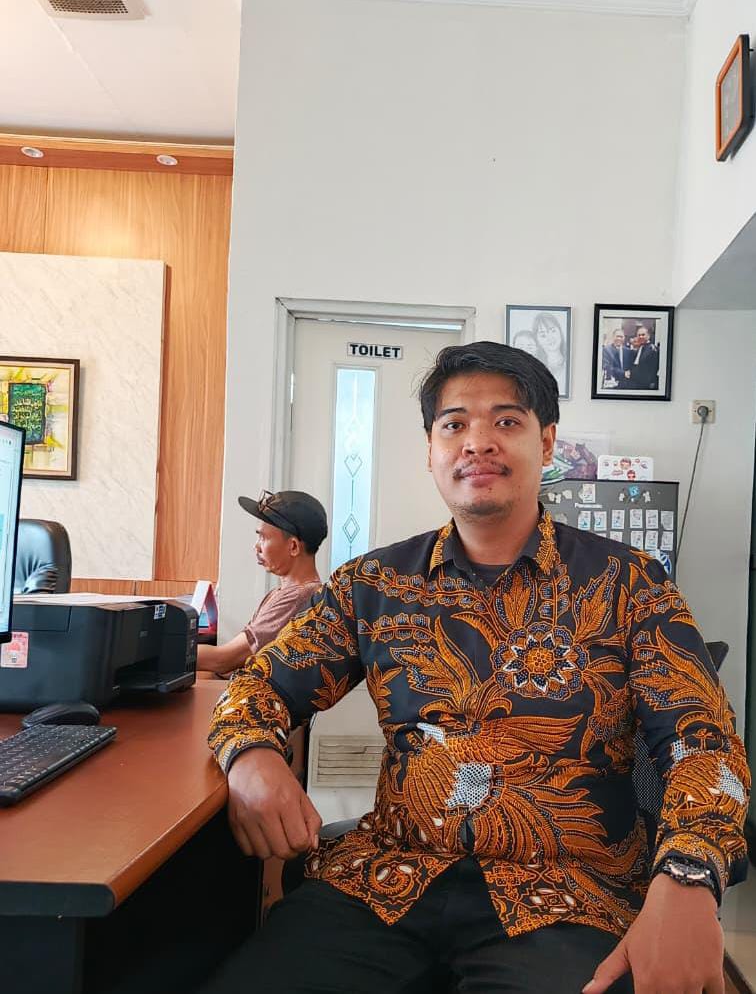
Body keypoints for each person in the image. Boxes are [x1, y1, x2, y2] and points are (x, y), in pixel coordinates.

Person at [203, 342, 748, 994]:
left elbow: (704, 743)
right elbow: (262, 682)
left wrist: (688, 876)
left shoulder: (628, 584)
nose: (478, 441)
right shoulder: (373, 583)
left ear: (546, 443)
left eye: (506, 421)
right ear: (431, 450)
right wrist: (250, 754)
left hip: (570, 895)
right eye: (454, 423)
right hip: (386, 881)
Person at [196, 490, 327, 676]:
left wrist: (162, 655)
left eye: (263, 537)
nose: (256, 546)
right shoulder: (285, 592)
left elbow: (223, 660)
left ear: (293, 547)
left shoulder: (298, 597)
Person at [532, 310, 567, 396]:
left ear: (560, 331)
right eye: (543, 335)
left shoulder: (569, 363)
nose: (550, 338)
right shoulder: (534, 368)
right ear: (537, 340)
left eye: (553, 331)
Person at [625, 326, 659, 391]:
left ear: (648, 336)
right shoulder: (639, 347)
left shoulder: (652, 349)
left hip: (645, 383)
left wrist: (652, 382)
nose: (641, 337)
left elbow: (654, 368)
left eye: (643, 335)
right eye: (639, 335)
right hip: (635, 382)